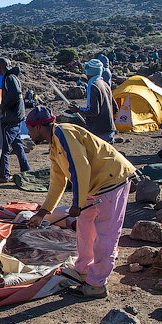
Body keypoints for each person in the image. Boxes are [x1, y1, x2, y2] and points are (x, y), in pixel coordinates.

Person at [24, 106, 136, 298]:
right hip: (93, 186)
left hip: (111, 181)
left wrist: (77, 203)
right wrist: (42, 213)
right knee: (85, 229)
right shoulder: (54, 145)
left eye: (30, 129)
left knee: (105, 234)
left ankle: (96, 284)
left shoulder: (65, 133)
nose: (29, 133)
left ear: (40, 127)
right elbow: (58, 182)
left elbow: (80, 168)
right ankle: (83, 269)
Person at [0, 59, 31, 183]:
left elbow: (14, 95)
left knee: (4, 147)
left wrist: (4, 107)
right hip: (17, 117)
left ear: (2, 66)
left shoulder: (9, 78)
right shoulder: (14, 78)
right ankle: (26, 170)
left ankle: (3, 175)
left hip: (11, 118)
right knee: (17, 145)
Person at [75, 59, 117, 143]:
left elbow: (94, 111)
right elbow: (115, 108)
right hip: (109, 129)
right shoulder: (105, 84)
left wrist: (78, 109)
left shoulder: (93, 85)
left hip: (98, 131)